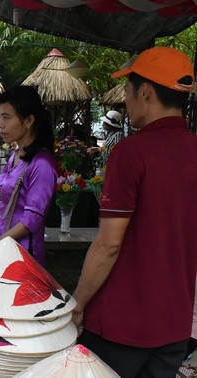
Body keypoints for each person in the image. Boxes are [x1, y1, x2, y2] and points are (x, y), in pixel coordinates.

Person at [72, 46, 197, 377]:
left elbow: (109, 244)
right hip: (175, 323)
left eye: (127, 90)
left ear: (145, 91)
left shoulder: (131, 153)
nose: (125, 100)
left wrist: (79, 301)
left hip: (122, 324)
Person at [0, 86, 57, 266]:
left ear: (29, 121)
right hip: (1, 249)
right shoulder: (15, 156)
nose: (0, 124)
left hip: (21, 257)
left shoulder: (42, 164)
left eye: (6, 117)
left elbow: (30, 222)